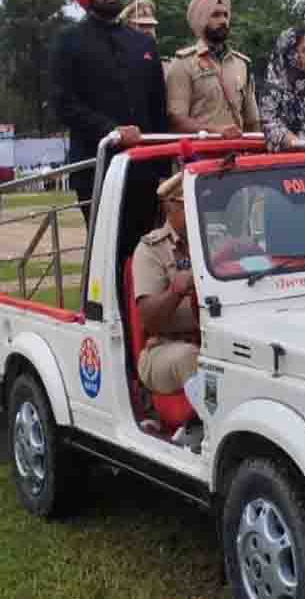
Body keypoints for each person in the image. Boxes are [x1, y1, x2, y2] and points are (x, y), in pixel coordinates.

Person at [50, 0, 169, 255]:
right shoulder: (69, 41)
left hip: (144, 172)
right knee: (107, 255)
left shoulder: (142, 44)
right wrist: (112, 130)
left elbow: (158, 108)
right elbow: (63, 103)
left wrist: (163, 171)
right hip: (96, 170)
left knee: (146, 256)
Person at [132, 173, 202, 445]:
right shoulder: (151, 250)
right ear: (170, 207)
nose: (197, 210)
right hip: (162, 350)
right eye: (189, 204)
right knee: (192, 359)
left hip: (212, 343)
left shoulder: (209, 240)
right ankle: (205, 431)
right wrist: (175, 291)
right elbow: (148, 318)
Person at [166, 0, 260, 139]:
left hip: (238, 155)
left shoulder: (242, 64)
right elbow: (176, 121)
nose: (223, 21)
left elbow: (252, 121)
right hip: (199, 157)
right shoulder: (183, 63)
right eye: (215, 15)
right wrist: (214, 131)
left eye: (225, 15)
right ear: (201, 20)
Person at [118, 0, 170, 75]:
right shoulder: (118, 63)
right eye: (141, 25)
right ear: (127, 27)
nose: (148, 30)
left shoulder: (166, 66)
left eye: (151, 25)